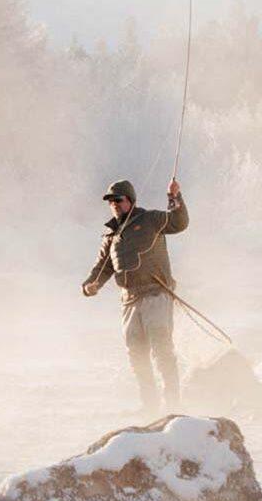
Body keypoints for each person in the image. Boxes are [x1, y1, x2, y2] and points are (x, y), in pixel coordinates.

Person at [81, 177, 189, 415]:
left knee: (161, 349)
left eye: (118, 200)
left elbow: (179, 223)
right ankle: (150, 406)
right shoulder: (110, 235)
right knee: (137, 356)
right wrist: (90, 285)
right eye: (110, 202)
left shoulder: (151, 219)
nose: (114, 205)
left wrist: (174, 196)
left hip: (156, 294)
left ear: (130, 200)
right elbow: (102, 268)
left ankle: (173, 405)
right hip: (129, 301)